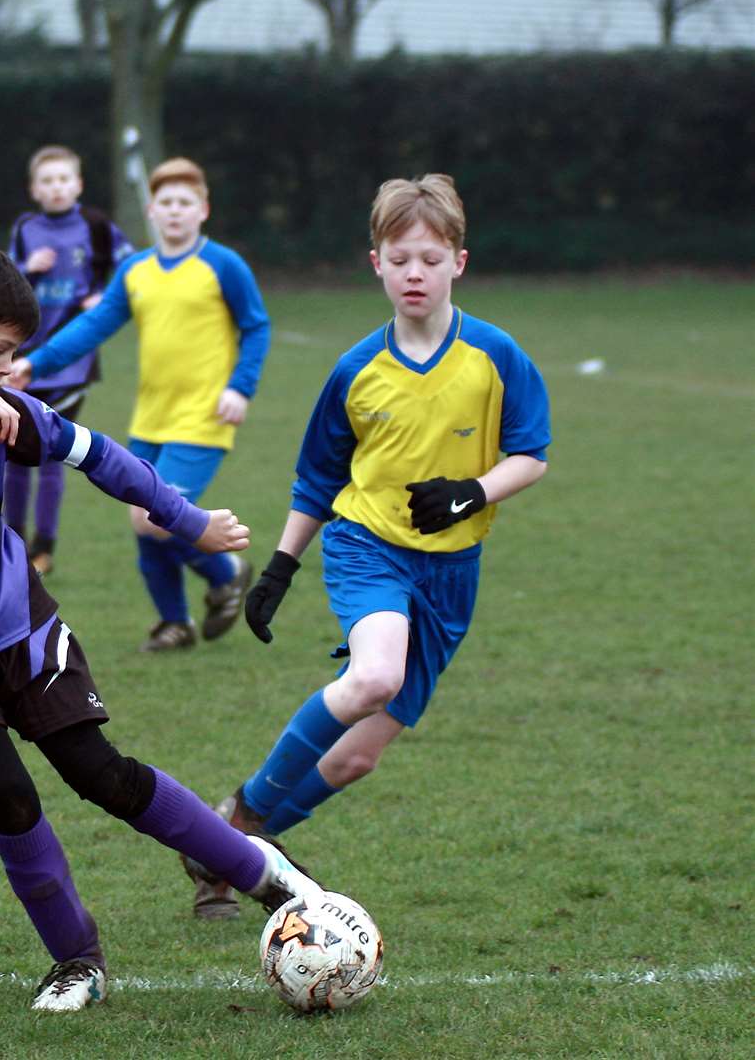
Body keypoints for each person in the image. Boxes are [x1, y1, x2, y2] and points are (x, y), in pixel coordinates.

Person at [0, 244, 325, 1011]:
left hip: (21, 631)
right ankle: (79, 961)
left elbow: (101, 457)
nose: (9, 370)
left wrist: (189, 520)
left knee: (99, 773)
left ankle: (267, 876)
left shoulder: (6, 412)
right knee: (5, 789)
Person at [182, 174, 551, 918]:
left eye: (430, 258)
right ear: (375, 262)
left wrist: (471, 492)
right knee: (374, 677)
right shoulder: (356, 368)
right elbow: (317, 478)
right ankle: (245, 815)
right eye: (399, 257)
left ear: (459, 263)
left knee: (355, 756)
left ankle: (227, 856)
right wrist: (280, 569)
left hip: (452, 571)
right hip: (367, 548)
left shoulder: (495, 355)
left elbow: (532, 452)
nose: (415, 273)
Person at [11, 158, 272, 653]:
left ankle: (226, 570)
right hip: (149, 420)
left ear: (203, 210)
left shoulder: (224, 265)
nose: (175, 212)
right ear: (151, 210)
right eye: (166, 203)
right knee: (146, 520)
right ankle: (175, 623)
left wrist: (241, 386)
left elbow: (256, 326)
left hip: (203, 418)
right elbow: (93, 327)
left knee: (152, 516)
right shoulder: (136, 270)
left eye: (185, 203)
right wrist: (34, 364)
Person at [4, 145, 133, 576]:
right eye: (47, 181)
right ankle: (15, 540)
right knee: (18, 454)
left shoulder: (96, 226)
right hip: (22, 358)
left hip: (72, 364)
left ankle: (45, 547)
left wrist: (105, 295)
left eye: (64, 179)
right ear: (33, 189)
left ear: (78, 184)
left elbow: (131, 266)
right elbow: (5, 282)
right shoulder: (25, 228)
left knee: (53, 452)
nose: (56, 187)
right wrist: (28, 268)